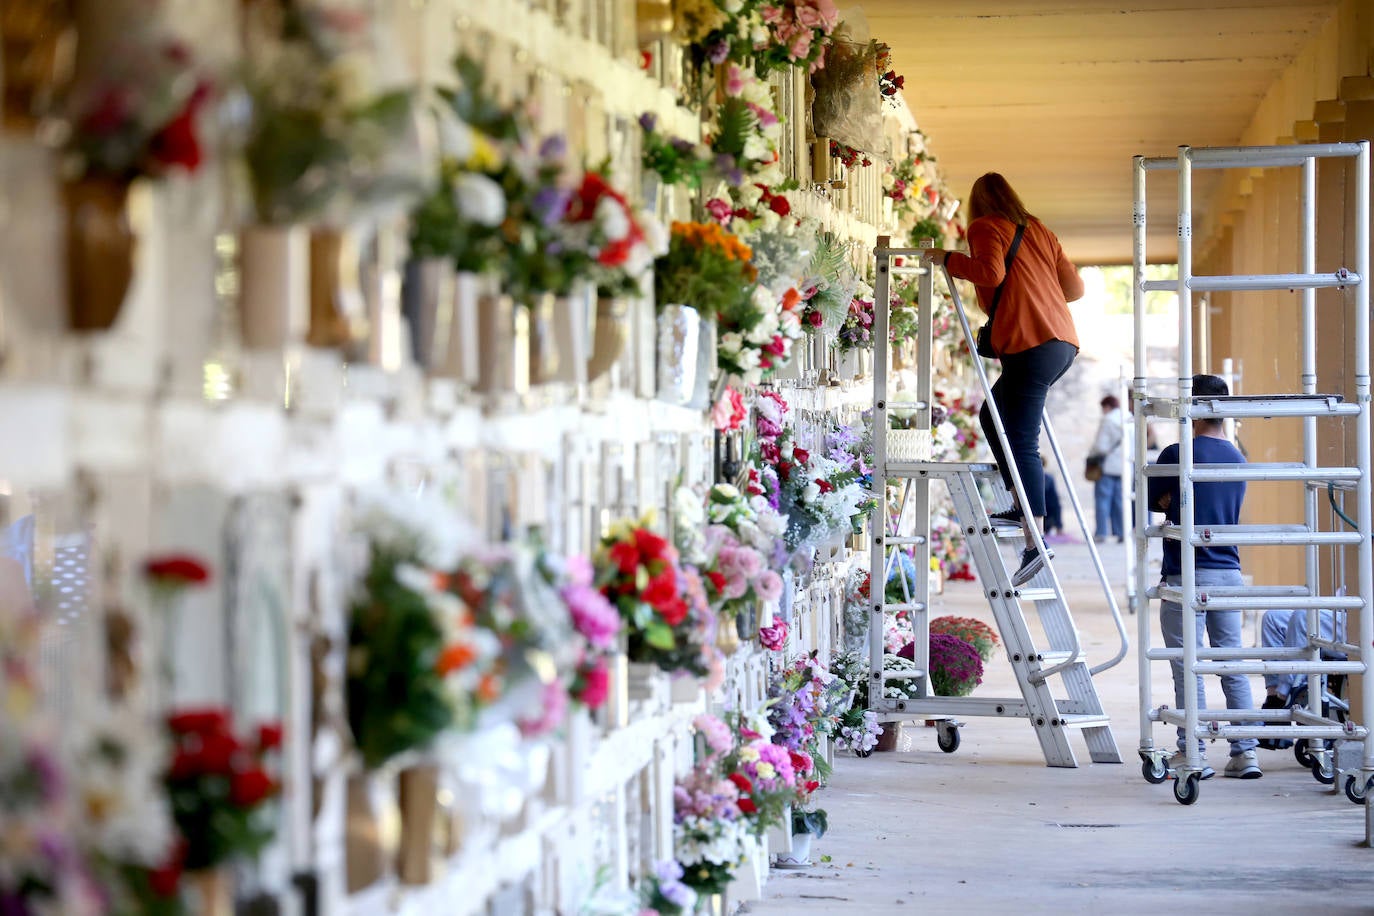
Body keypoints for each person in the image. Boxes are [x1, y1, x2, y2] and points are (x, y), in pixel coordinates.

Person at [923, 173, 1084, 586]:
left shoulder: (984, 226)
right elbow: (1075, 288)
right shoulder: (1039, 230)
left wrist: (946, 258)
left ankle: (1035, 541)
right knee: (993, 419)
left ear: (977, 203)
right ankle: (1020, 505)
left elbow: (990, 274)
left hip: (1031, 344)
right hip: (1059, 342)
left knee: (1022, 439)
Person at [1146, 373, 1260, 779]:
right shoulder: (1237, 457)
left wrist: (1172, 499)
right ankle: (1246, 752)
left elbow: (1155, 501)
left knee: (1185, 665)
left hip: (1185, 573)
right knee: (1232, 663)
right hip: (1228, 572)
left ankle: (1191, 751)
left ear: (1190, 407)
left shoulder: (1178, 452)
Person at [1256, 608, 1341, 750]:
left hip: (1359, 622)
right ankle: (1274, 694)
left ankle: (1282, 699)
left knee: (1303, 616)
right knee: (1273, 617)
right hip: (1340, 613)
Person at [1090, 394, 1125, 543]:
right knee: (1120, 501)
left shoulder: (1108, 420)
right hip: (1123, 466)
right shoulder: (1127, 417)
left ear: (1107, 406)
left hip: (1107, 466)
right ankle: (1121, 532)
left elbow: (1100, 446)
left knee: (1102, 500)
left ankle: (1102, 533)